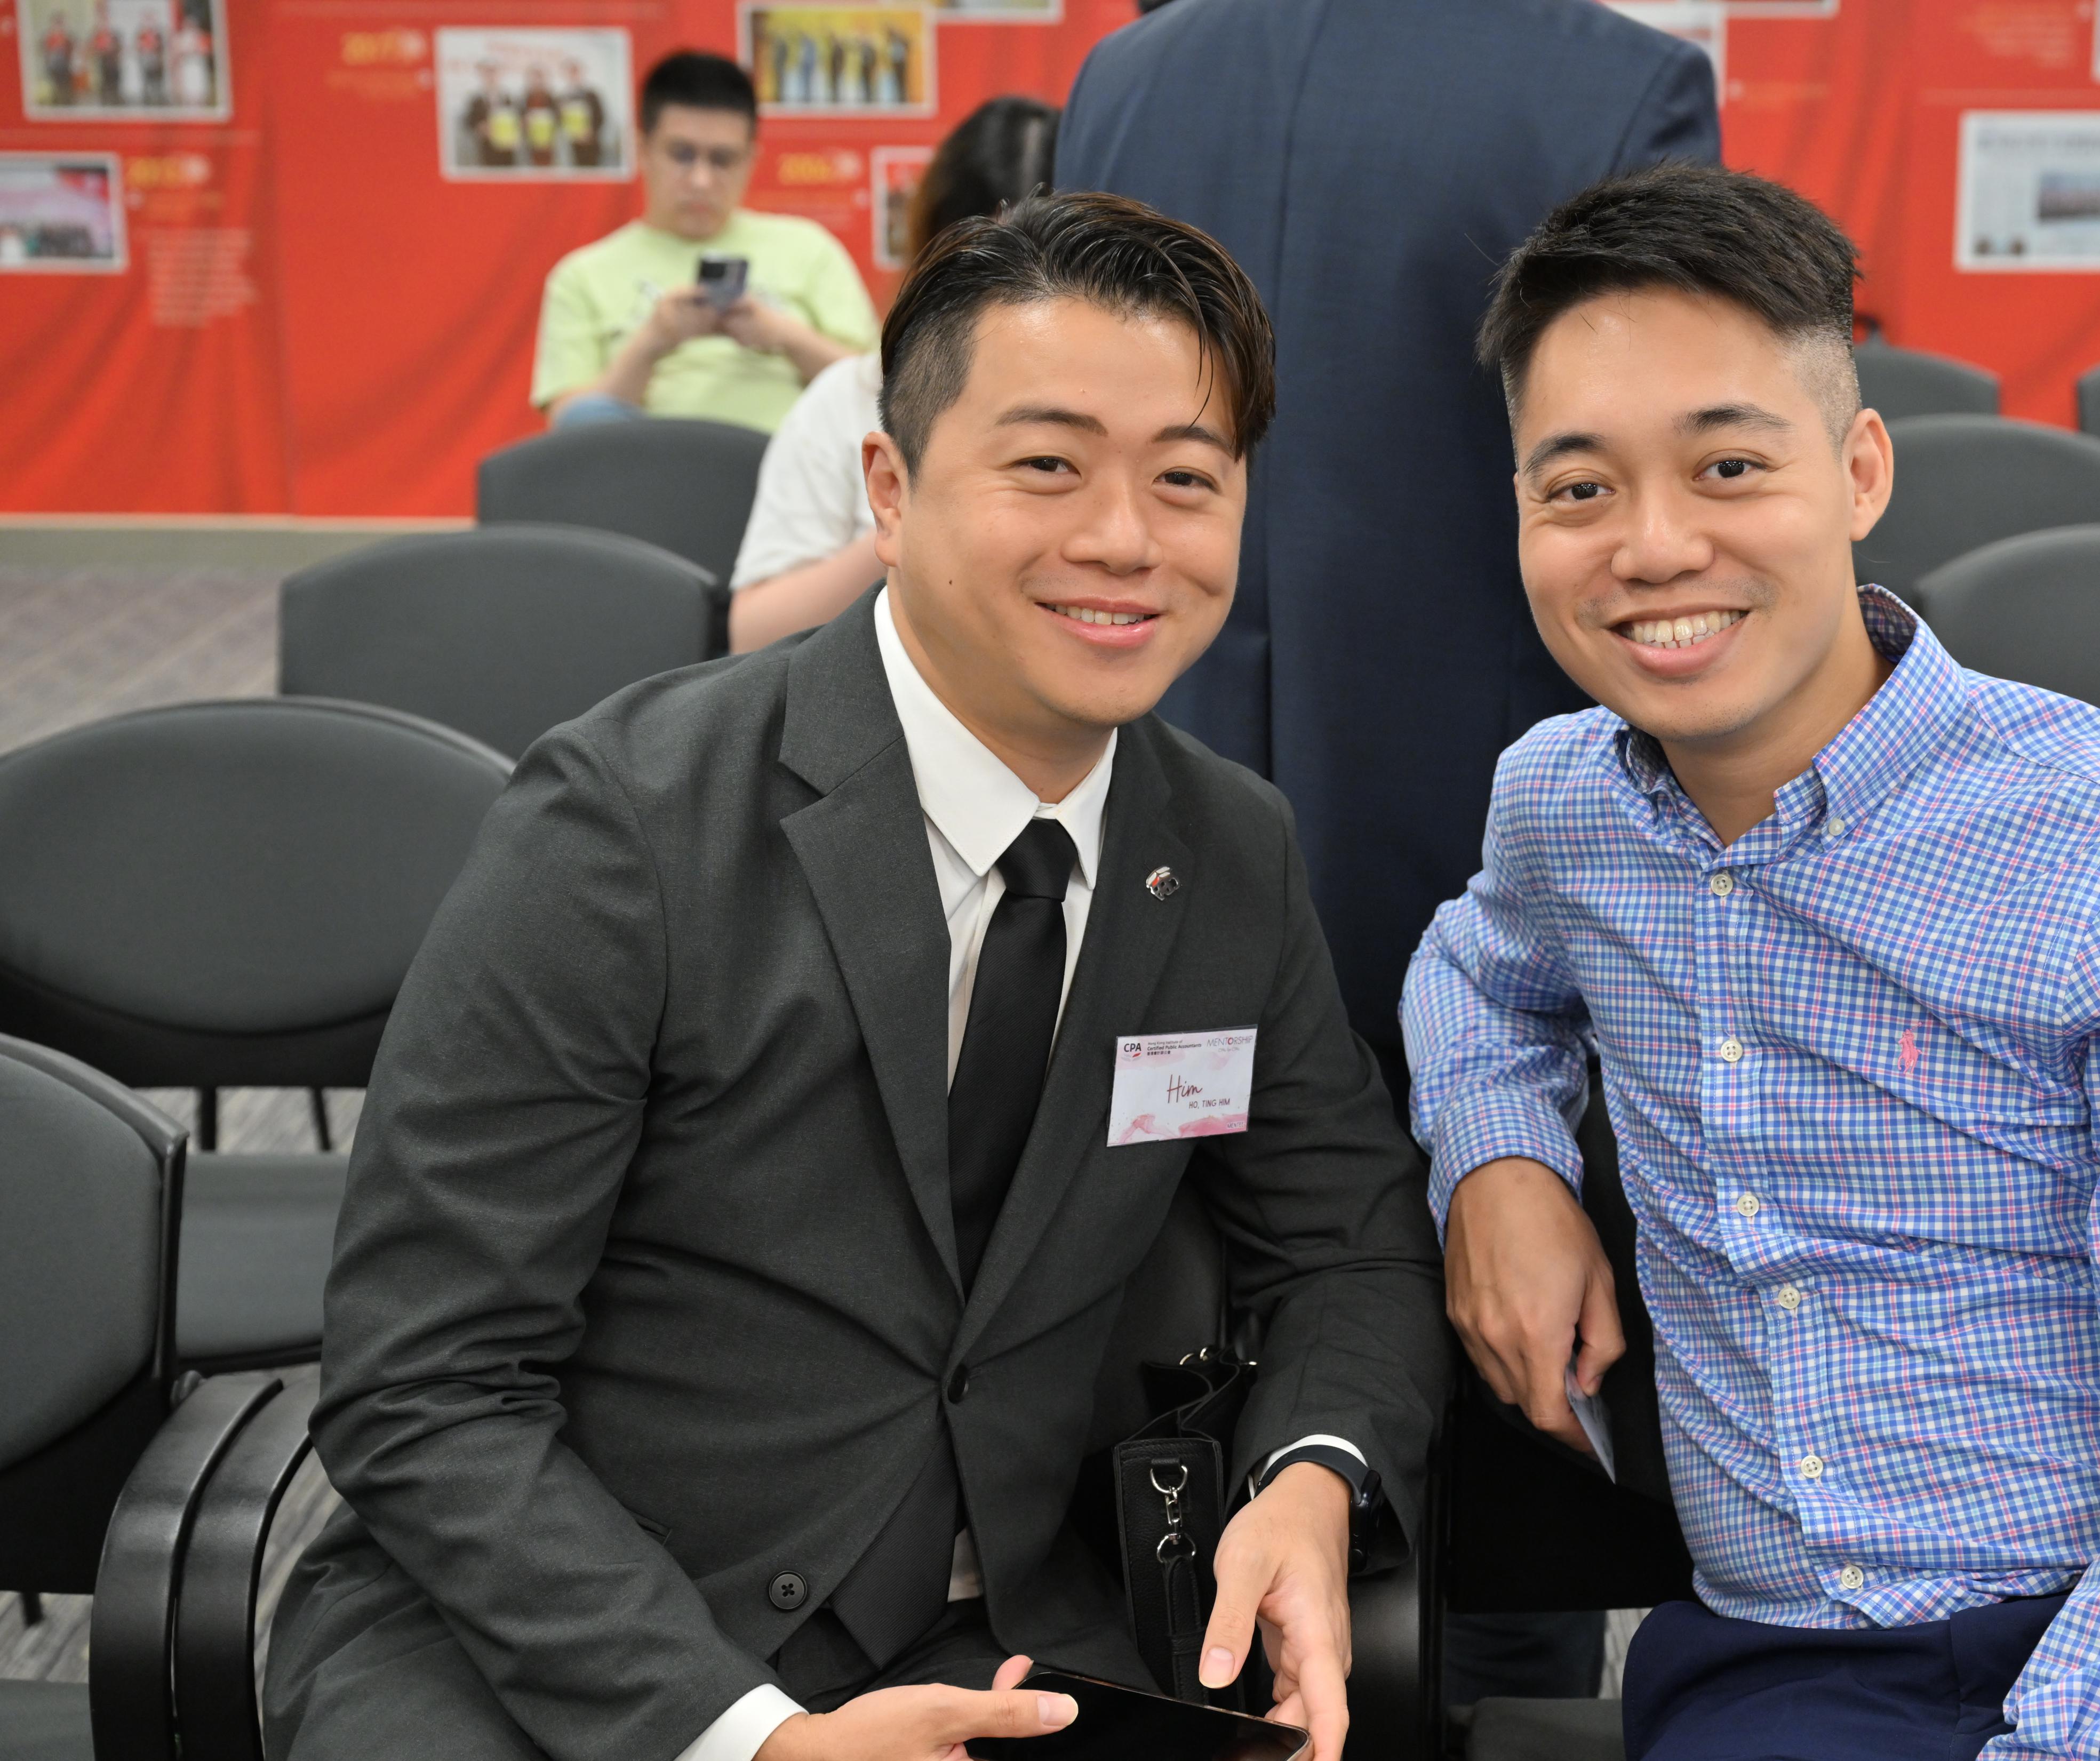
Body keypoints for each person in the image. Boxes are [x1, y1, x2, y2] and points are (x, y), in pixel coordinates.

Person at [264, 190, 1446, 1761]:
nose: (1124, 537)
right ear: (888, 490)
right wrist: (749, 1734)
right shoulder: (625, 823)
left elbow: (1349, 1243)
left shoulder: (1223, 847)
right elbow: (425, 1379)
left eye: (1186, 477)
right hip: (574, 1635)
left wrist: (1310, 1473)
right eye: (1047, 465)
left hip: (1009, 1632)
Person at [1403, 162, 2100, 1759]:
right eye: (1576, 488)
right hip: (1789, 1662)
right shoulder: (1562, 805)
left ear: (1859, 469)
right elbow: (1474, 967)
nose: (1651, 545)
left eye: (1728, 465)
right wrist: (1496, 1157)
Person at [1057, 0, 1716, 1086]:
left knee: (1181, 1167)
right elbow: (1663, 493)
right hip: (1490, 833)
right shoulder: (1619, 86)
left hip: (1161, 790)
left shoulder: (1125, 76)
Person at [728, 94, 1058, 653]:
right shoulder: (849, 398)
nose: (1013, 303)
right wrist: (909, 513)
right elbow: (755, 635)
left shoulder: (1134, 416)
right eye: (983, 269)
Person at [531, 51, 878, 431]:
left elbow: (878, 390)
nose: (701, 180)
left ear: (751, 160)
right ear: (643, 150)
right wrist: (651, 344)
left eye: (722, 160)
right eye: (682, 155)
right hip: (644, 464)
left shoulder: (810, 249)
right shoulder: (581, 275)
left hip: (793, 461)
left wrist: (784, 336)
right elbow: (568, 430)